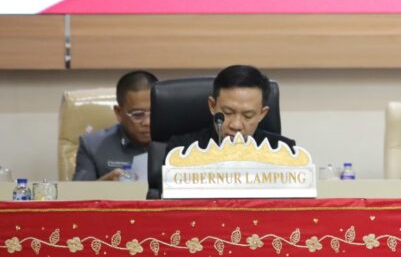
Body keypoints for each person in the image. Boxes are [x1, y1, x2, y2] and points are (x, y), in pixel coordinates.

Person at [149, 65, 294, 198]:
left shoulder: (283, 152)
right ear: (212, 106)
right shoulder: (182, 150)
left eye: (248, 115)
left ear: (262, 114)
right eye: (228, 112)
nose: (236, 125)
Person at [73, 70, 159, 181]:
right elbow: (78, 191)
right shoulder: (92, 146)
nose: (147, 122)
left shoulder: (177, 141)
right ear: (119, 113)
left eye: (155, 112)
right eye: (137, 114)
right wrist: (105, 184)